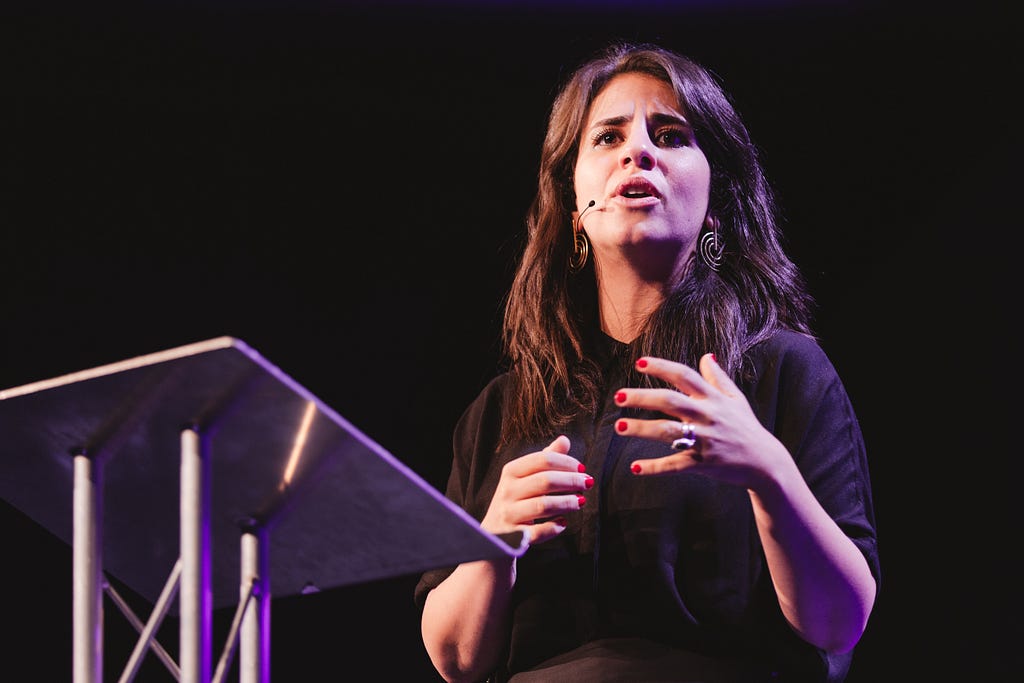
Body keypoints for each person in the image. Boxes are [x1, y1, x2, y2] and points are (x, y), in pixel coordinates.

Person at [414, 41, 879, 683]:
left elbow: (838, 622)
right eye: (607, 137)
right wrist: (493, 544)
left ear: (715, 203)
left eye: (671, 135)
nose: (639, 151)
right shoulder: (502, 409)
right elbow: (456, 660)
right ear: (574, 208)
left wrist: (770, 473)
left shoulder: (780, 371)